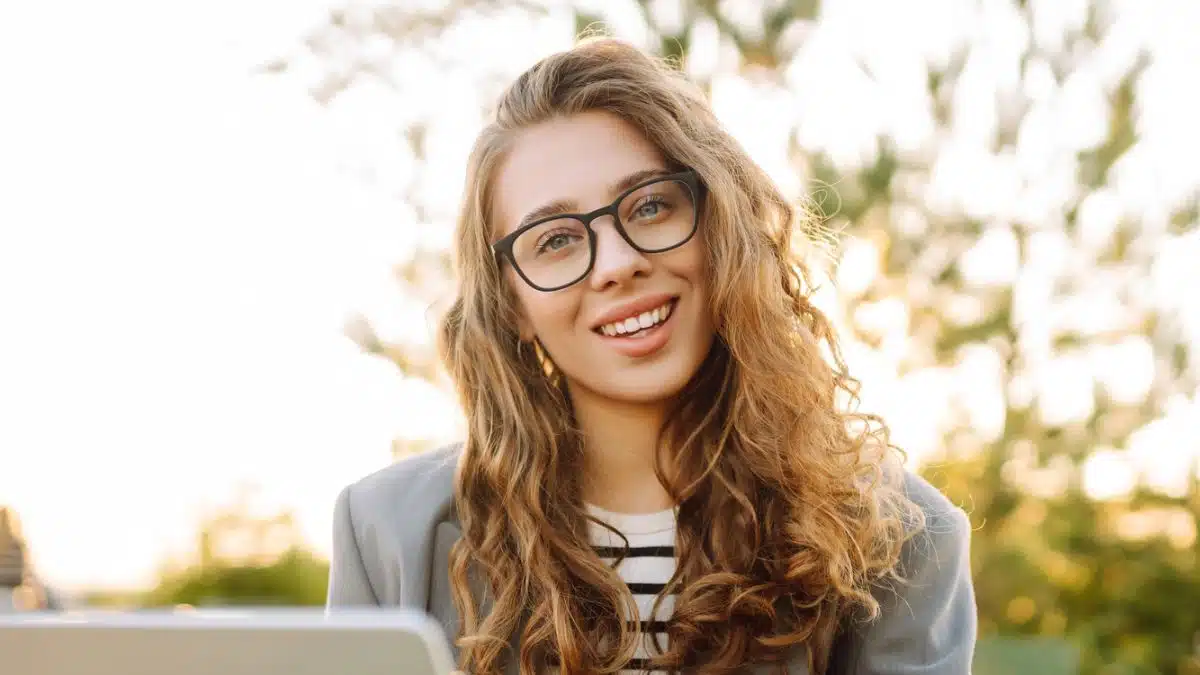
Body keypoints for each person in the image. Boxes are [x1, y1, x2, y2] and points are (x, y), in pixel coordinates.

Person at [327, 37, 976, 675]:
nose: (617, 264)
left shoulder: (902, 541)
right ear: (513, 304)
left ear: (720, 222)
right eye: (554, 240)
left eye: (651, 205)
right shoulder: (384, 533)